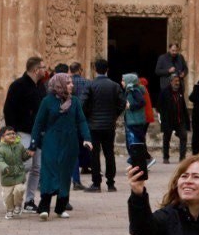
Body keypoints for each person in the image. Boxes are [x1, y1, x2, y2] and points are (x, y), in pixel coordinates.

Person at [30, 72, 93, 220]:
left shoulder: (75, 101)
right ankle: (44, 207)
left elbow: (82, 121)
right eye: (69, 82)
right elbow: (38, 124)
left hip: (70, 142)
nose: (72, 84)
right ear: (60, 84)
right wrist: (33, 145)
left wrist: (87, 138)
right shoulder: (47, 101)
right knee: (49, 172)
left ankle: (61, 207)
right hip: (51, 141)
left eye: (71, 82)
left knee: (65, 174)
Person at [4, 56, 47, 211]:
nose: (45, 70)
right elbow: (9, 109)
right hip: (23, 132)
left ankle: (29, 200)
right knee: (25, 164)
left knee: (37, 167)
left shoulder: (41, 87)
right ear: (36, 70)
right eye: (43, 67)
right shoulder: (18, 86)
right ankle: (14, 195)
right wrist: (11, 131)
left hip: (39, 133)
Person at [85, 59, 125, 192]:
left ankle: (96, 183)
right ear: (107, 70)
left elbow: (82, 103)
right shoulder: (114, 86)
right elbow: (122, 103)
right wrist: (114, 115)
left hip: (94, 126)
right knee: (109, 153)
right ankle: (110, 183)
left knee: (94, 154)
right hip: (109, 125)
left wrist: (88, 116)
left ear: (95, 69)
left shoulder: (90, 85)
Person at [0, 127, 28, 218]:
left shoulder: (19, 146)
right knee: (7, 197)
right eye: (8, 134)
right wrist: (5, 167)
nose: (12, 135)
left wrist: (28, 154)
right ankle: (10, 210)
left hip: (19, 175)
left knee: (19, 190)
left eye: (13, 133)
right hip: (7, 177)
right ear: (2, 136)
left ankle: (18, 206)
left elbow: (24, 157)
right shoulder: (0, 150)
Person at [157, 75, 191, 164]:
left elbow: (183, 106)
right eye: (175, 81)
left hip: (180, 120)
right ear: (171, 82)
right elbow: (159, 106)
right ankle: (166, 157)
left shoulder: (180, 92)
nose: (177, 83)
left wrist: (186, 119)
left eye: (178, 81)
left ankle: (182, 157)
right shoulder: (164, 92)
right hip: (168, 121)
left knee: (184, 136)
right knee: (166, 138)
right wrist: (164, 116)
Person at [122, 73, 152, 170]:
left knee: (135, 144)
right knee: (135, 143)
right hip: (132, 120)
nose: (121, 82)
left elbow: (142, 102)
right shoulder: (130, 89)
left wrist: (131, 106)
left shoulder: (133, 90)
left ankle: (140, 163)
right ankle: (138, 164)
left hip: (135, 121)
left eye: (123, 80)